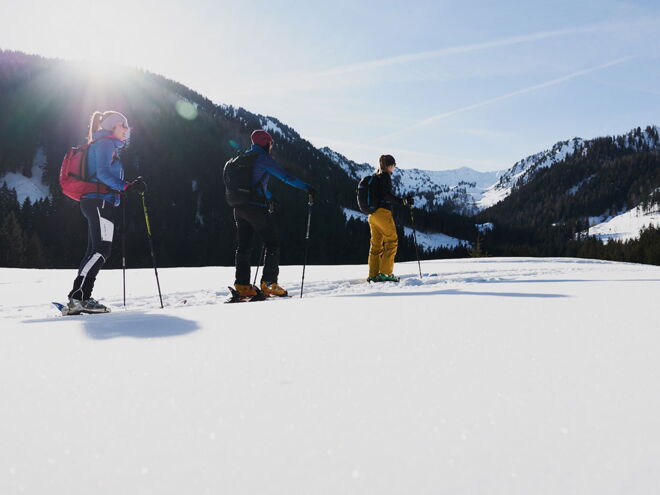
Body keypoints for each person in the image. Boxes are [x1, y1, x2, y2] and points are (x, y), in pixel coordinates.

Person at [66, 111, 145, 314]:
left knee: (95, 250)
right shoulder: (105, 143)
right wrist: (126, 187)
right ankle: (78, 298)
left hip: (98, 201)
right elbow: (102, 173)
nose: (127, 129)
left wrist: (122, 189)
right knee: (102, 250)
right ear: (112, 126)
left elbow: (102, 173)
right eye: (123, 125)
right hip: (99, 201)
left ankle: (80, 297)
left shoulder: (104, 144)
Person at [225, 129, 314, 298]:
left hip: (238, 208)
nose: (271, 147)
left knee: (243, 247)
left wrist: (270, 197)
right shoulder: (263, 158)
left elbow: (255, 184)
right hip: (255, 208)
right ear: (266, 143)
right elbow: (286, 176)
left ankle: (242, 285)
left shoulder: (243, 158)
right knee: (272, 243)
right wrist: (307, 187)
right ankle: (269, 283)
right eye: (270, 143)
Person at [367, 154, 413, 283]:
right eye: (394, 165)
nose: (394, 167)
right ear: (389, 165)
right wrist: (402, 201)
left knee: (376, 245)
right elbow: (386, 195)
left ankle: (373, 275)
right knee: (392, 241)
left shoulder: (375, 177)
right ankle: (386, 273)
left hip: (372, 214)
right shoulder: (385, 176)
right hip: (382, 213)